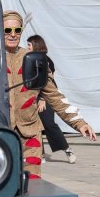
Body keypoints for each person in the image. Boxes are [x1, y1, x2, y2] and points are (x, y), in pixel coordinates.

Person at [3, 10, 95, 178]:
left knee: (33, 184)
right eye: (7, 31)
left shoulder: (35, 59)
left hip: (30, 135)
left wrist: (79, 123)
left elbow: (54, 95)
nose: (13, 35)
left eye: (17, 30)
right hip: (0, 134)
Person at [26, 34, 74, 163]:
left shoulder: (45, 60)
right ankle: (39, 154)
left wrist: (42, 98)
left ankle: (67, 149)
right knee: (35, 126)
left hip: (46, 97)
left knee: (49, 124)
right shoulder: (28, 59)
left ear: (35, 45)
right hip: (32, 97)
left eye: (29, 45)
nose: (27, 47)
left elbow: (47, 82)